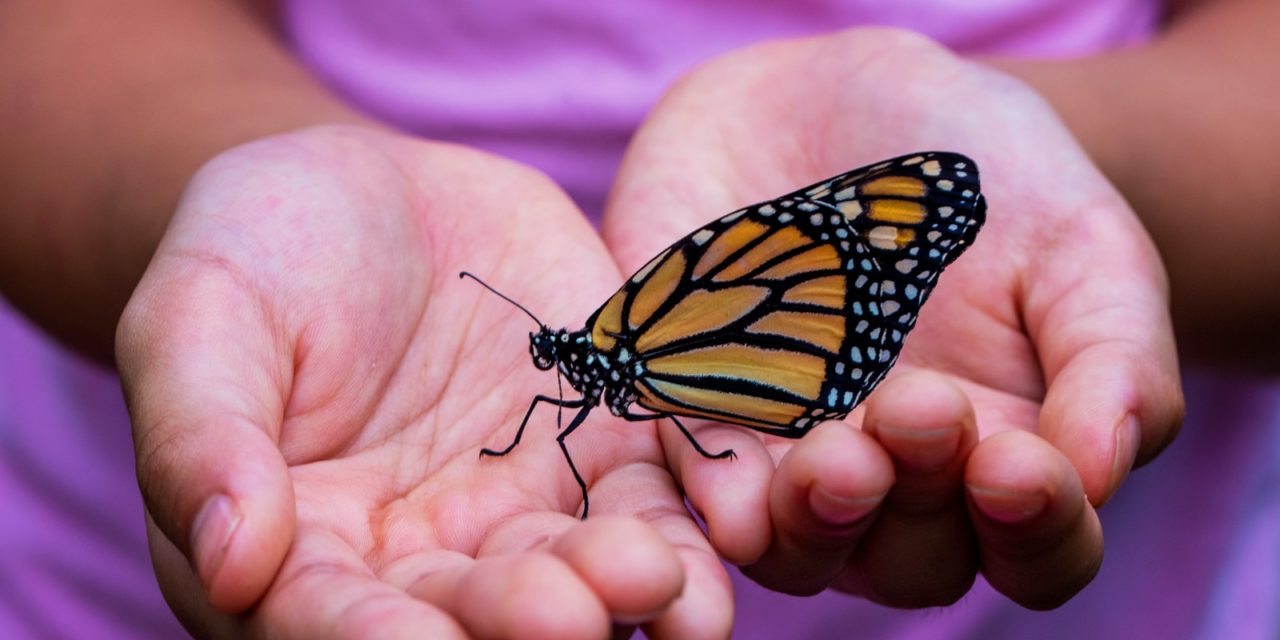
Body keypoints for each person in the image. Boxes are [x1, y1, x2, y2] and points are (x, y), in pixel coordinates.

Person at [0, 0, 1274, 638]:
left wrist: (1093, 166)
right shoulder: (614, 351)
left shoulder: (633, 335)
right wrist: (243, 182)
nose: (557, 361)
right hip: (127, 567)